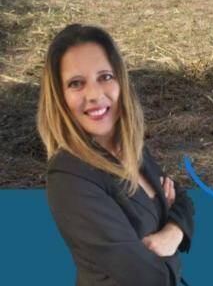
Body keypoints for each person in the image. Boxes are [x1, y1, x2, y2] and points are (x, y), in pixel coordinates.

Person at [37, 24, 196, 285]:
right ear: (59, 97)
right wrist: (170, 253)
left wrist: (172, 232)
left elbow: (184, 200)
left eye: (105, 77)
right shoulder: (69, 177)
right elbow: (145, 277)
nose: (95, 95)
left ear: (120, 80)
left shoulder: (130, 148)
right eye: (76, 83)